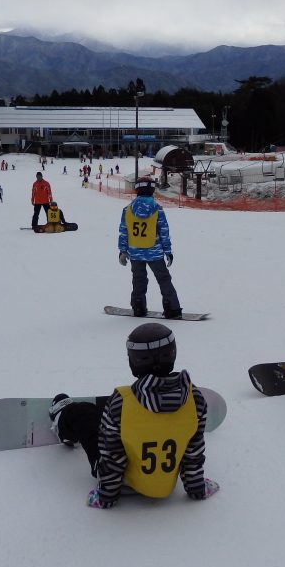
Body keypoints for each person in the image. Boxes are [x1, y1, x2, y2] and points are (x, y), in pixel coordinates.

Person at [48, 323, 218, 509]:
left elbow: (112, 456)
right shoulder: (195, 400)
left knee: (84, 416)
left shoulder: (121, 403)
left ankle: (61, 418)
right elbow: (193, 452)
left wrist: (106, 496)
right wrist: (197, 488)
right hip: (165, 484)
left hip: (123, 484)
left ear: (133, 361)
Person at [118, 176, 182, 318]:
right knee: (164, 279)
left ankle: (138, 306)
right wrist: (168, 252)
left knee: (138, 280)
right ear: (152, 190)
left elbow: (124, 231)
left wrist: (122, 251)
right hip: (154, 252)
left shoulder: (127, 210)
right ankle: (172, 308)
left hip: (135, 252)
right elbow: (164, 232)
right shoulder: (157, 209)